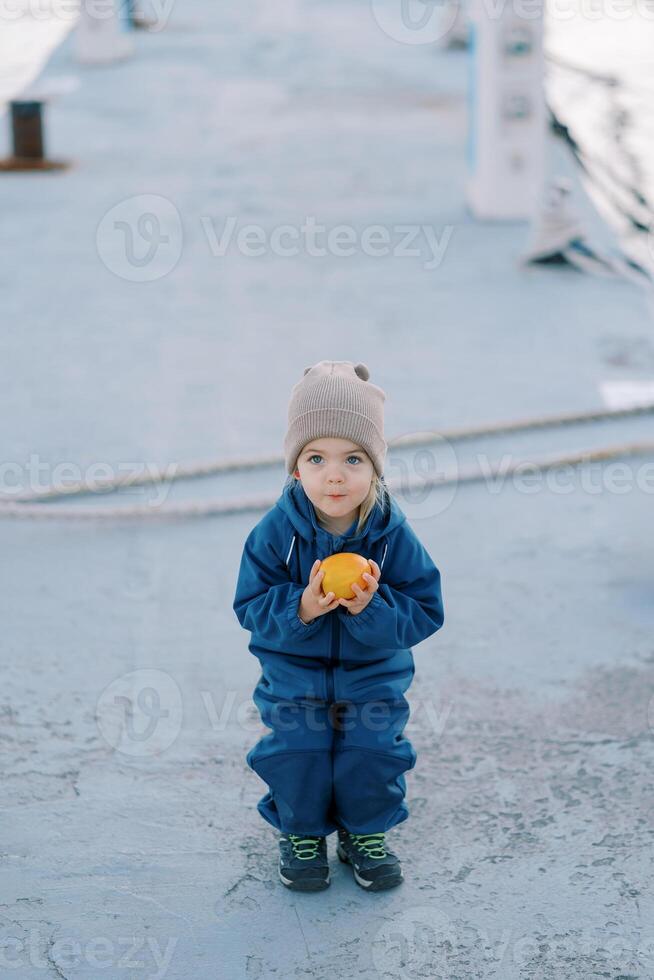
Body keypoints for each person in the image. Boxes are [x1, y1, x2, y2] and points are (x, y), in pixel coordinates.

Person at [232, 360, 444, 892]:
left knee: (374, 750)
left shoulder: (392, 534)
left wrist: (371, 607)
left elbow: (425, 609)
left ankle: (365, 831)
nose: (335, 474)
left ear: (375, 467)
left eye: (353, 458)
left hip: (373, 675)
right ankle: (302, 832)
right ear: (295, 467)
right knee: (296, 748)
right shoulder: (276, 532)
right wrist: (302, 606)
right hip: (294, 675)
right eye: (316, 457)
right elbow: (250, 604)